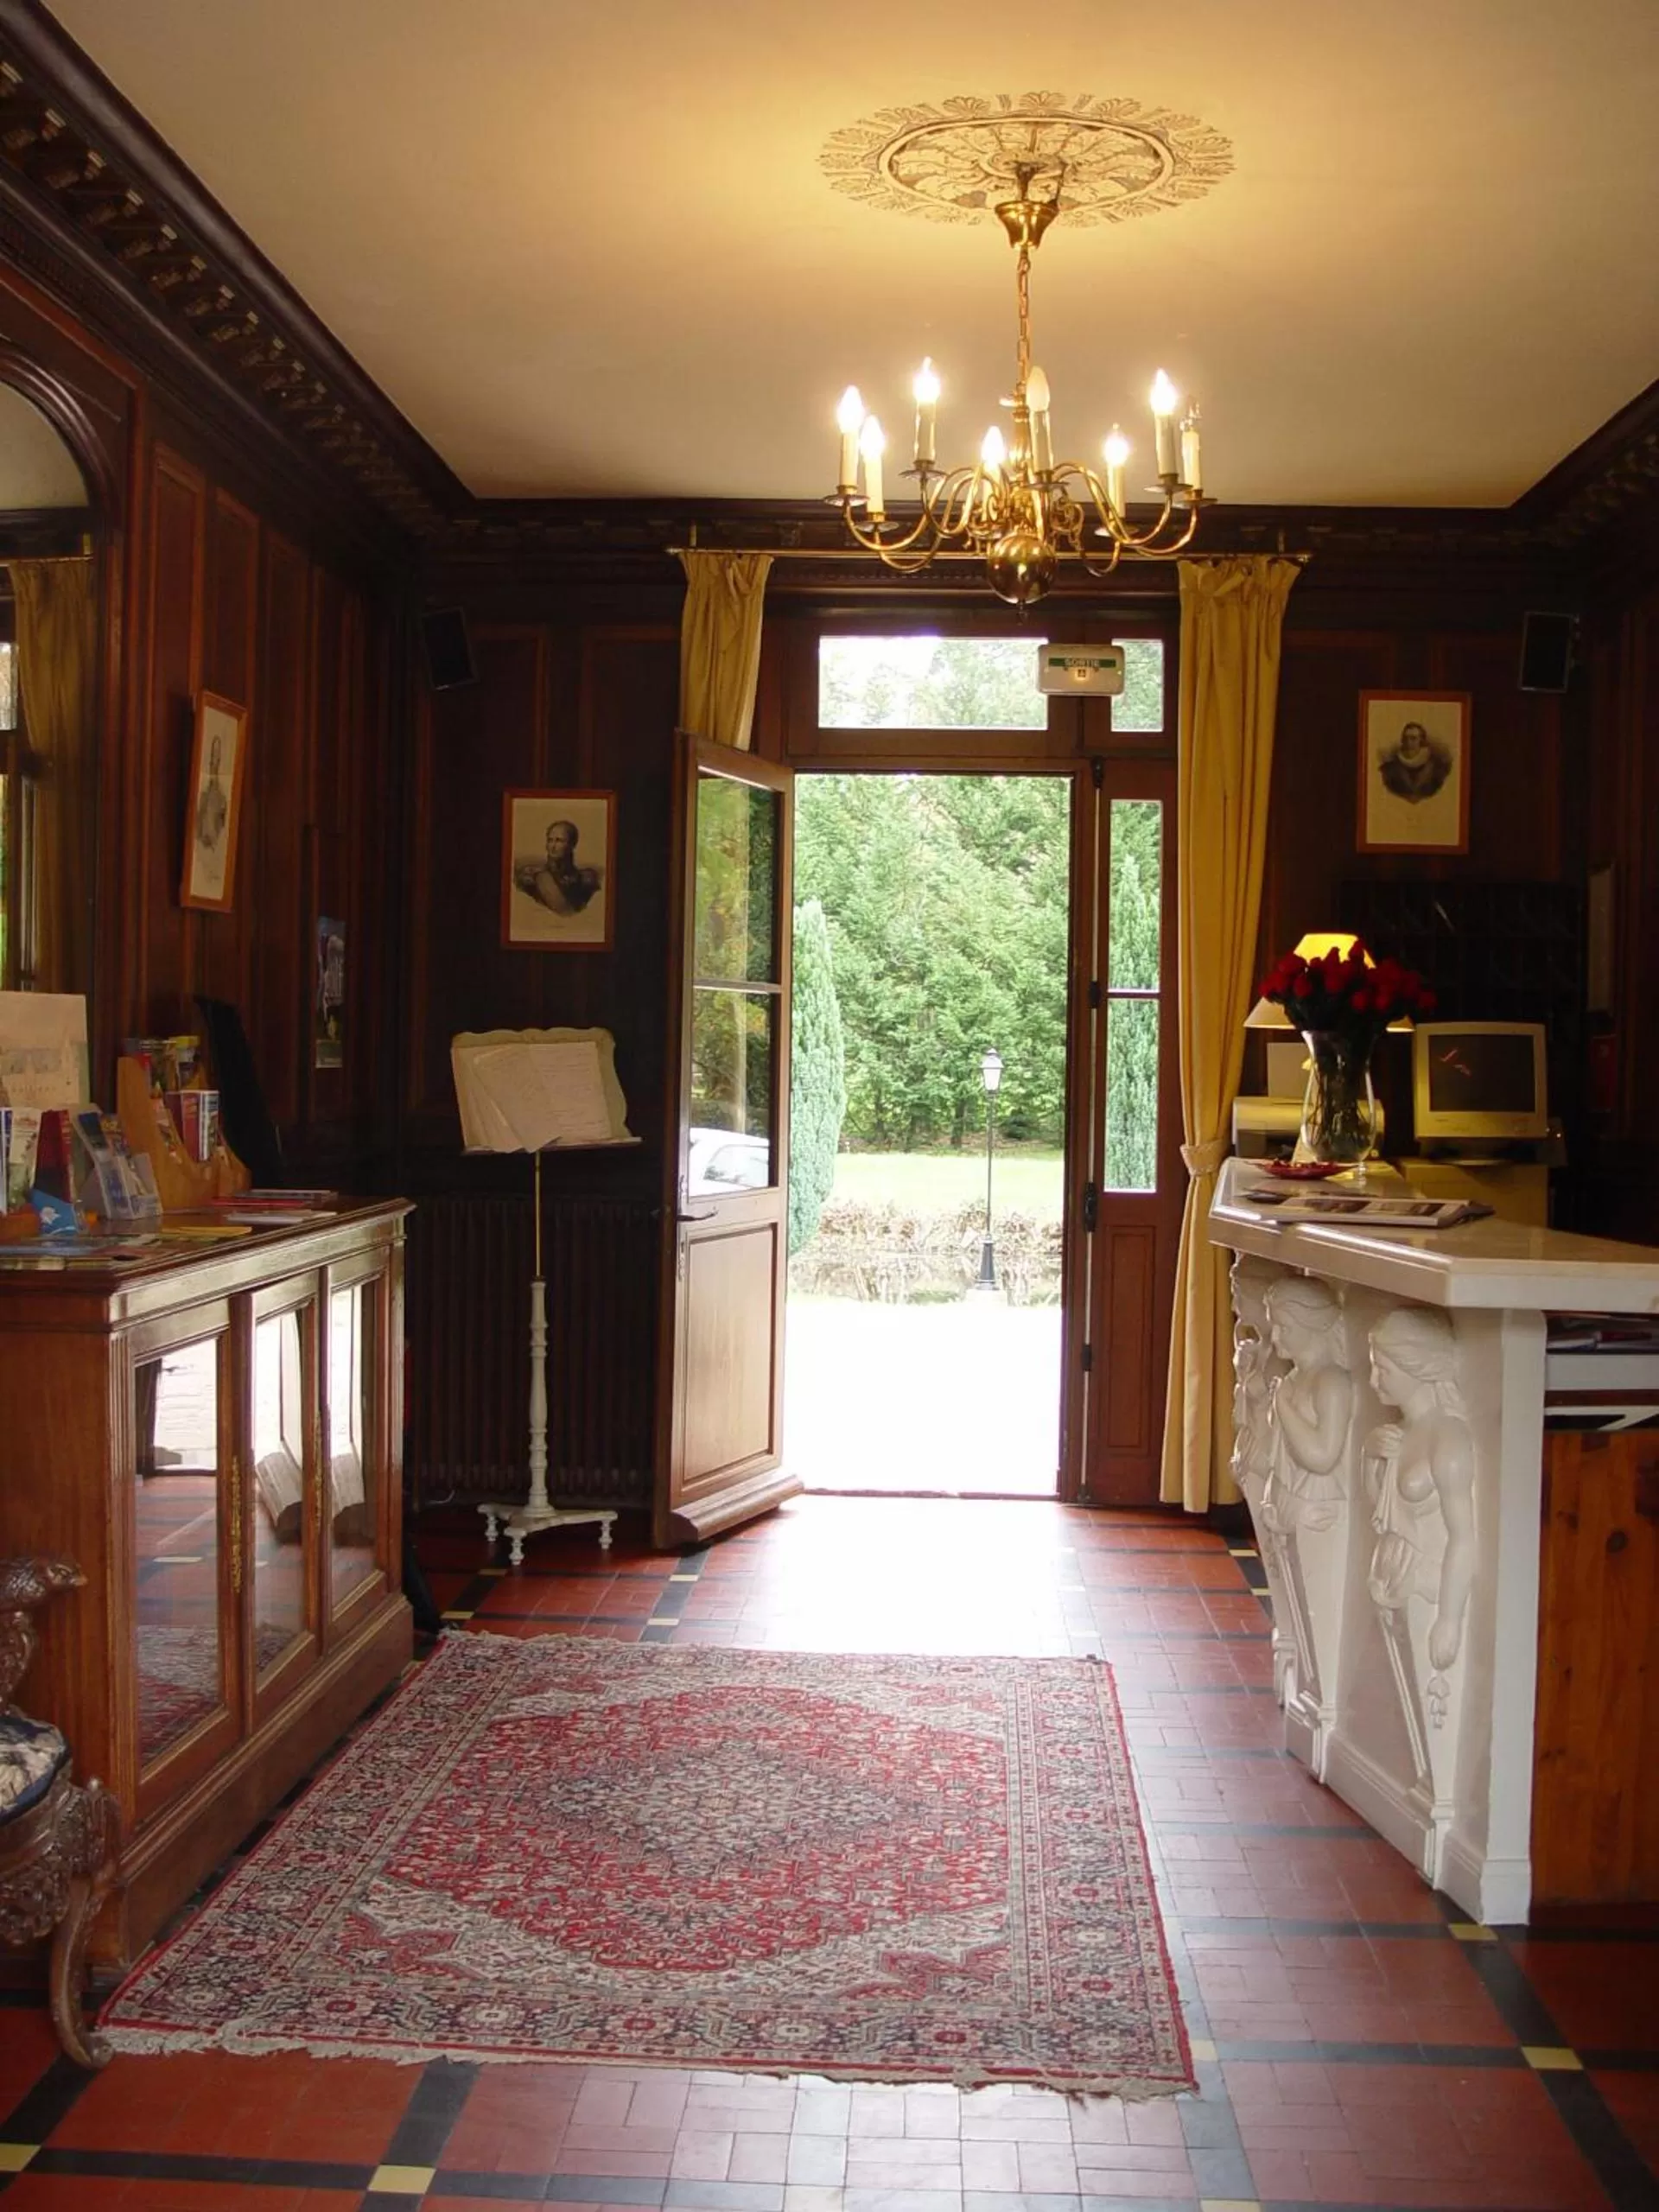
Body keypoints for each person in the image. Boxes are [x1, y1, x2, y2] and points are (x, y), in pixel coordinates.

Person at [514, 817, 600, 916]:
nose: (553, 846)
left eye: (559, 841)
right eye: (550, 840)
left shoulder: (585, 880)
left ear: (572, 844)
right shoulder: (535, 877)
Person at [1377, 718, 1452, 803]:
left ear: (1421, 740)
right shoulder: (1392, 767)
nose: (1409, 742)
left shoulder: (1436, 766)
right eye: (1405, 738)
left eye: (1413, 738)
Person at [194, 732, 228, 853]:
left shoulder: (221, 797)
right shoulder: (202, 793)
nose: (214, 763)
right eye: (212, 760)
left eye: (216, 759)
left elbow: (221, 823)